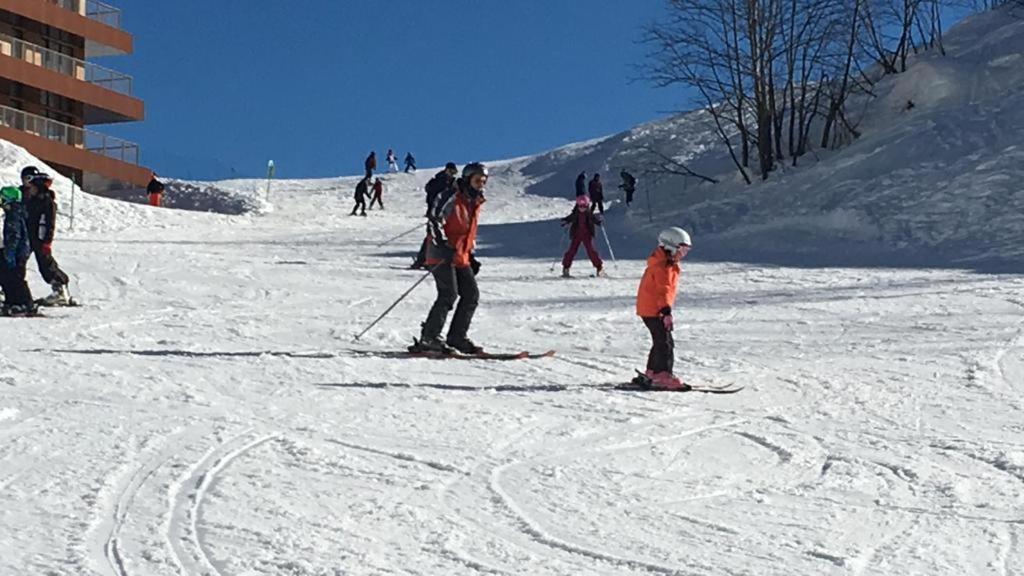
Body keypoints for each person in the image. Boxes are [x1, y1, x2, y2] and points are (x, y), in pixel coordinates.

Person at [412, 162, 488, 354]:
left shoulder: (475, 201)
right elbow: (434, 221)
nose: (481, 185)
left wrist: (470, 254)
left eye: (483, 181)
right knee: (448, 294)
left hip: (461, 255)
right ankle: (429, 338)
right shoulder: (451, 196)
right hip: (441, 254)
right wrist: (444, 245)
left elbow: (467, 231)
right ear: (467, 179)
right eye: (477, 180)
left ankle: (457, 337)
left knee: (471, 295)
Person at [635, 227, 692, 390]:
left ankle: (652, 371)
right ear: (671, 246)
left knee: (660, 340)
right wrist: (666, 312)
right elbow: (663, 290)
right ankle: (662, 374)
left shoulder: (664, 263)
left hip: (650, 308)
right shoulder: (663, 267)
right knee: (665, 343)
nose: (684, 254)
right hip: (655, 309)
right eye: (682, 249)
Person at [21, 168, 71, 306]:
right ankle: (8, 289)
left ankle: (60, 289)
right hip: (24, 235)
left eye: (29, 180)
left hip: (38, 237)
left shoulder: (45, 200)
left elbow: (49, 223)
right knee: (13, 262)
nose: (27, 184)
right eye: (24, 179)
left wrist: (46, 241)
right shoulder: (23, 195)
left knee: (45, 262)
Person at [411, 162, 458, 269]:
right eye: (451, 171)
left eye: (454, 172)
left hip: (446, 214)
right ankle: (423, 260)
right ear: (446, 170)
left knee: (439, 236)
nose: (453, 174)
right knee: (432, 236)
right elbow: (434, 197)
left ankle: (430, 259)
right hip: (436, 213)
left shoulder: (451, 182)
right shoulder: (440, 181)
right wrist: (433, 212)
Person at [0, 186, 35, 316]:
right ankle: (12, 301)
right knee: (6, 277)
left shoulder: (14, 213)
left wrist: (10, 252)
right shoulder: (14, 212)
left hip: (18, 252)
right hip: (17, 251)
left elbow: (14, 235)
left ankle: (24, 302)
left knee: (16, 278)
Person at [560, 195, 604, 278]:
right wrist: (565, 221)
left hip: (587, 235)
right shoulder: (576, 213)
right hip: (577, 235)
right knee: (571, 251)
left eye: (584, 206)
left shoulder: (589, 214)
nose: (582, 208)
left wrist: (599, 222)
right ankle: (566, 267)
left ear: (587, 206)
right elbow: (570, 218)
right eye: (580, 206)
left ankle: (599, 267)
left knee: (591, 251)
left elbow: (594, 219)